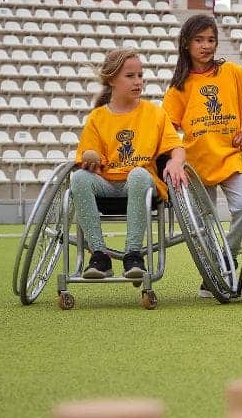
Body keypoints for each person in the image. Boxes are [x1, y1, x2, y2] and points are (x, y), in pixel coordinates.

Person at [162, 14, 242, 298]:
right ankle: (212, 273)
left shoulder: (232, 72)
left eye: (210, 40)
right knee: (204, 225)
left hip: (231, 158)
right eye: (199, 40)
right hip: (196, 166)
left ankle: (228, 255)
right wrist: (175, 160)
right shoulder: (178, 87)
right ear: (186, 44)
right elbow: (168, 130)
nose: (206, 46)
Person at [72, 48, 187, 282]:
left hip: (141, 183)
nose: (138, 82)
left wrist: (176, 161)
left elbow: (176, 146)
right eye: (130, 76)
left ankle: (133, 254)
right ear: (112, 79)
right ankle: (99, 255)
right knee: (78, 179)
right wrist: (90, 161)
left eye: (140, 76)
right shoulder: (97, 118)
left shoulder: (155, 113)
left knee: (138, 174)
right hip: (107, 184)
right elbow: (88, 160)